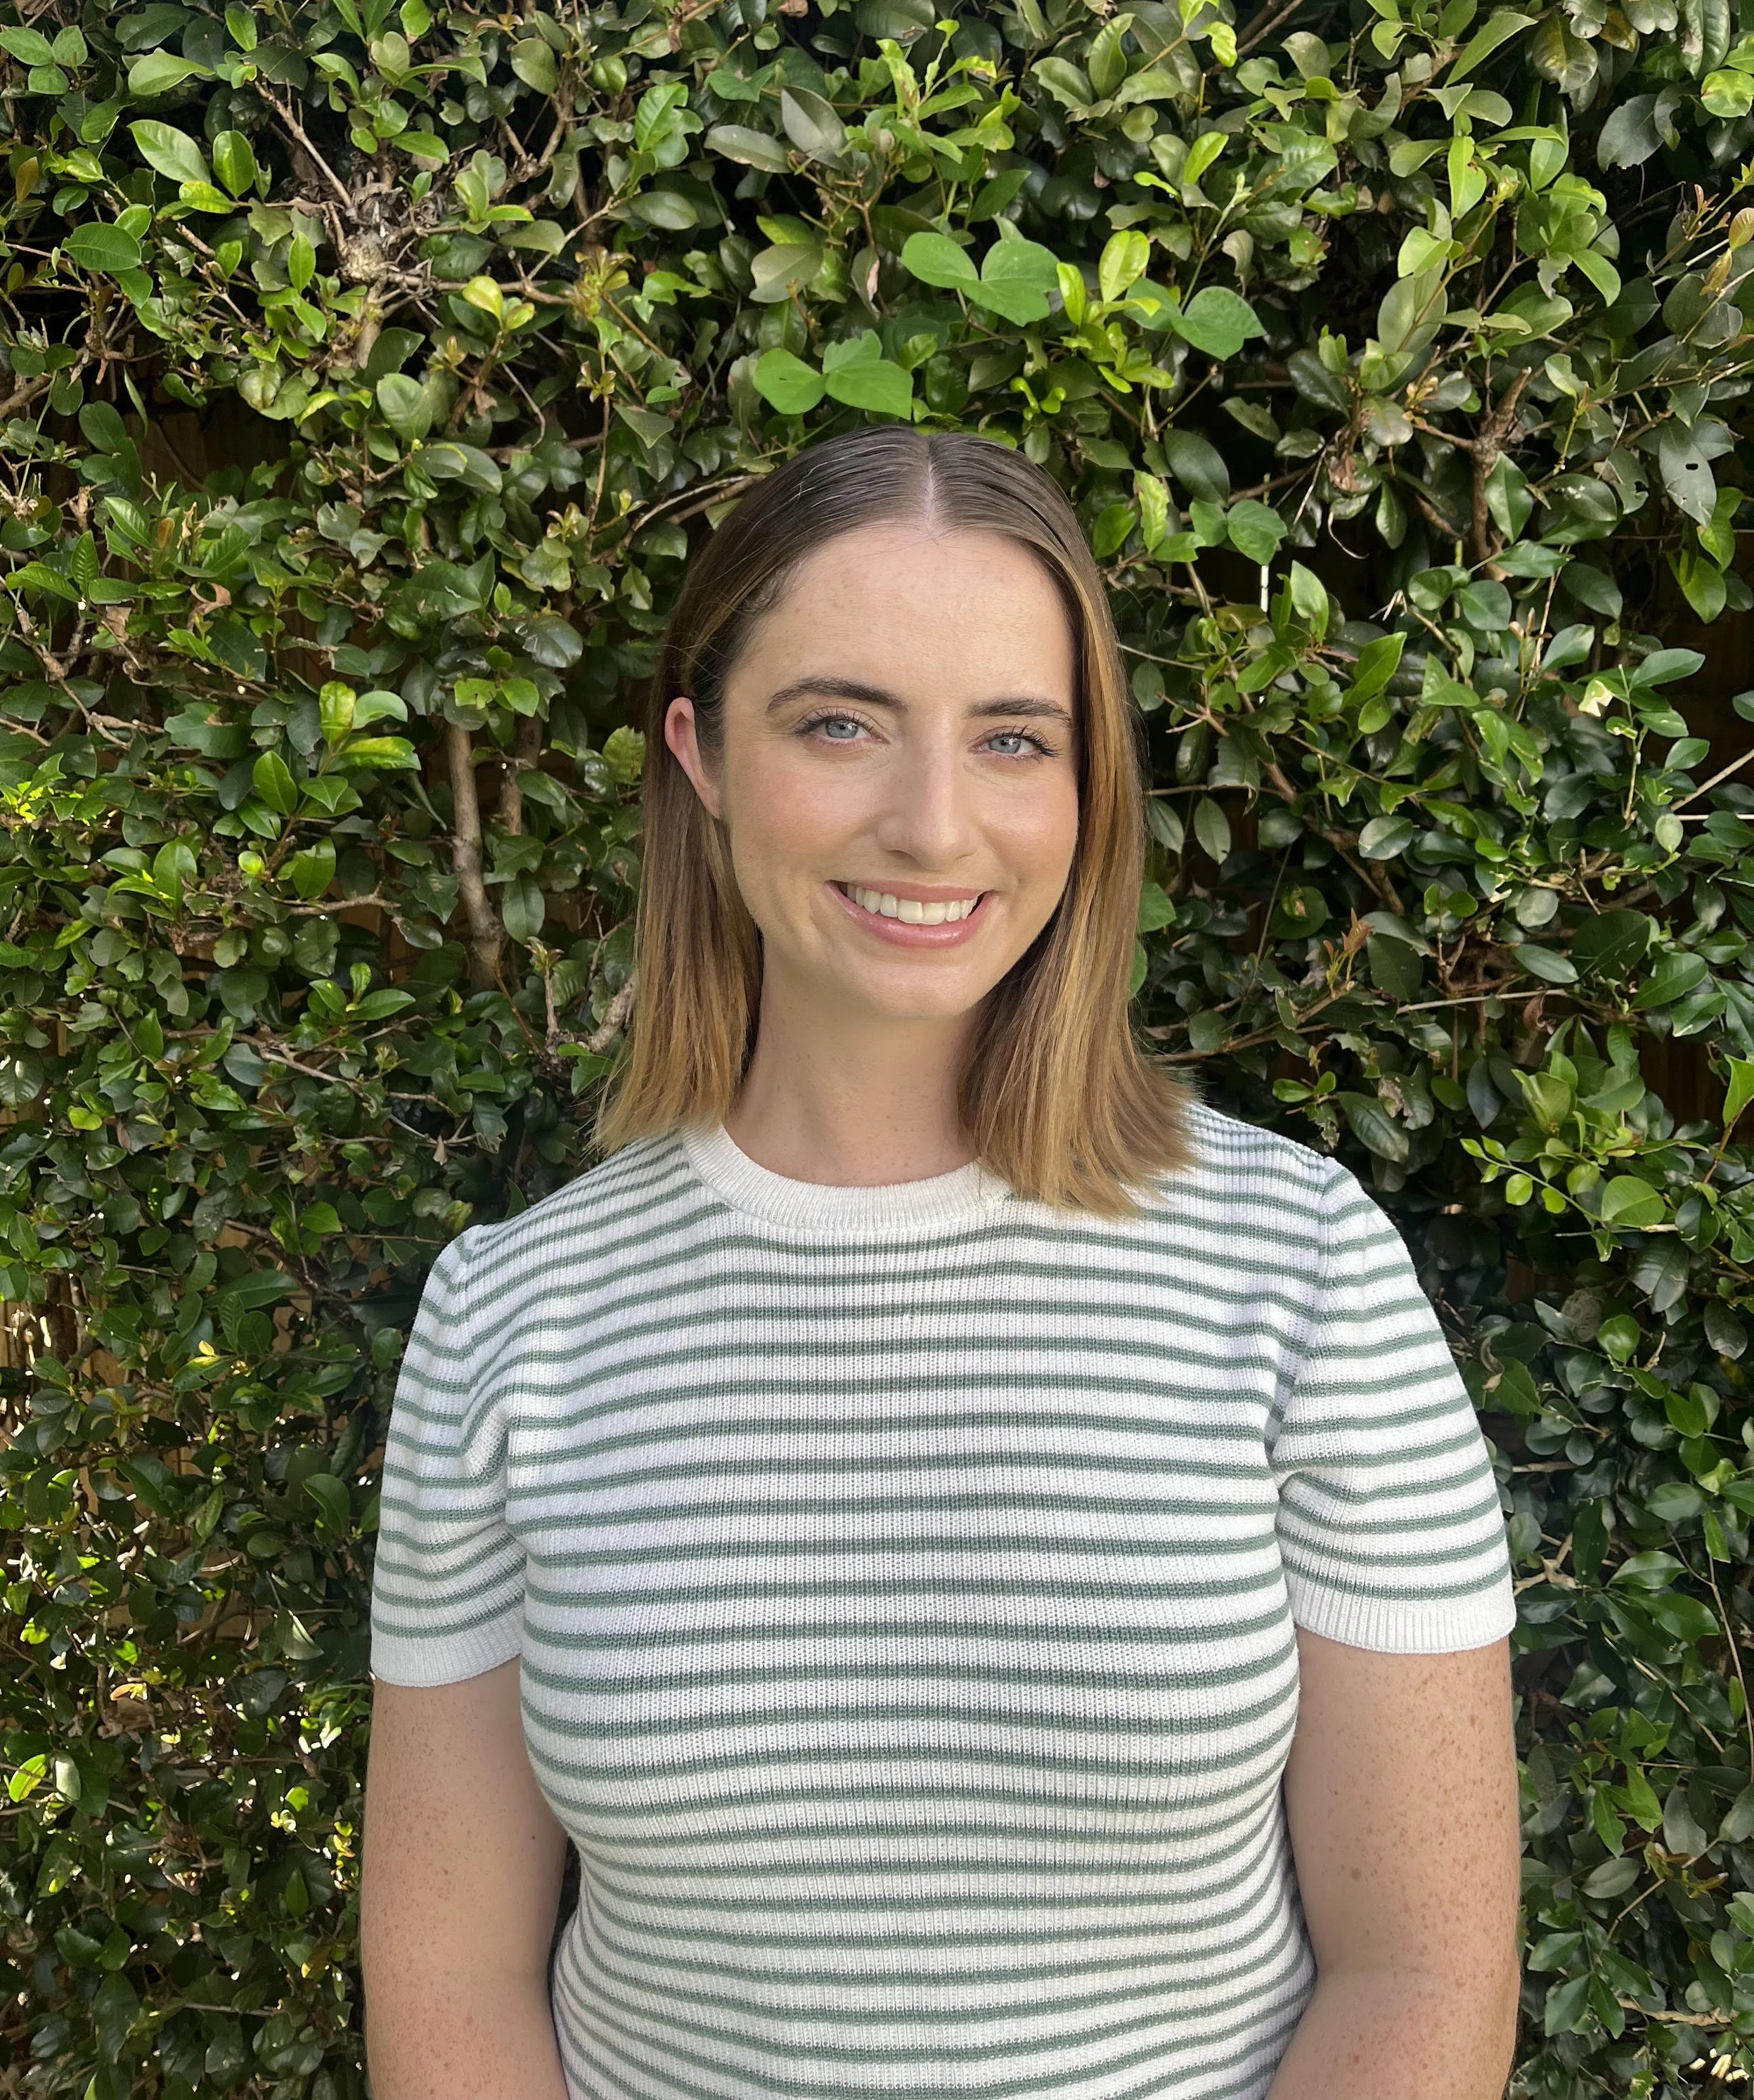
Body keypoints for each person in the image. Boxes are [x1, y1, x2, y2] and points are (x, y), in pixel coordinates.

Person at [359, 425, 1522, 2100]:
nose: (930, 823)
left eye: (1012, 740)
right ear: (700, 753)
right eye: (838, 723)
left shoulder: (1300, 1276)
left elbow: (1422, 1968)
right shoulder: (511, 1317)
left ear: (1083, 789)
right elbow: (449, 1971)